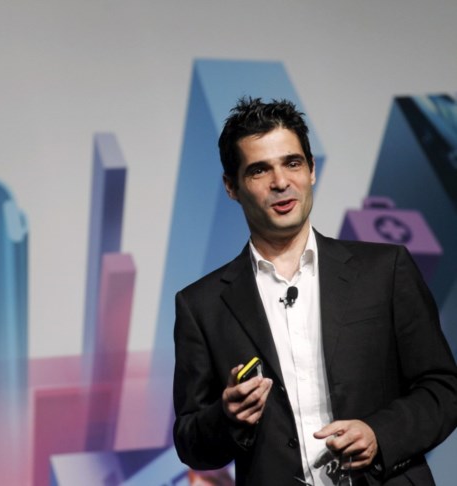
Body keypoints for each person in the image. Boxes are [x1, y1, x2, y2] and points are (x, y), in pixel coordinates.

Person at [172, 97, 457, 485]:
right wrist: (227, 417)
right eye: (259, 170)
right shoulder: (201, 306)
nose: (281, 182)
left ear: (311, 170)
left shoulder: (385, 270)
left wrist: (379, 434)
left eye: (292, 163)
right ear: (231, 187)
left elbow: (443, 389)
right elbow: (189, 442)